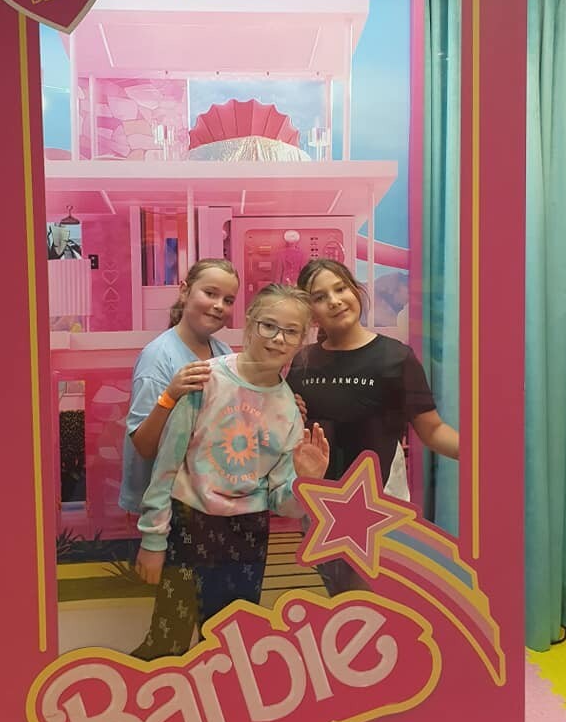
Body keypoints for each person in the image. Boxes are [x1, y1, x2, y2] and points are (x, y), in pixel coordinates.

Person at [133, 284, 329, 659]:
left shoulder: (290, 410)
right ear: (250, 324)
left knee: (230, 646)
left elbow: (283, 503)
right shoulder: (205, 379)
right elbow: (166, 465)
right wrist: (153, 540)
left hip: (247, 533)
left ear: (301, 340)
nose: (278, 338)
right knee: (168, 641)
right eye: (269, 325)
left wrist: (306, 482)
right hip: (189, 523)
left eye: (291, 331)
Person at [286, 258, 459, 594]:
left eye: (340, 289)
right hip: (321, 508)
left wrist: (481, 453)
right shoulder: (302, 362)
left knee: (371, 602)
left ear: (356, 291)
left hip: (379, 508)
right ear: (310, 311)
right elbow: (292, 431)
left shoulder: (397, 357)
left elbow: (433, 430)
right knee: (340, 599)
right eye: (320, 297)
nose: (334, 301)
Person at [119, 258, 240, 517]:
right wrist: (170, 395)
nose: (219, 305)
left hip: (207, 498)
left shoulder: (223, 353)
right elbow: (144, 446)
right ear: (185, 291)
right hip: (165, 508)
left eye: (228, 300)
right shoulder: (157, 359)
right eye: (210, 293)